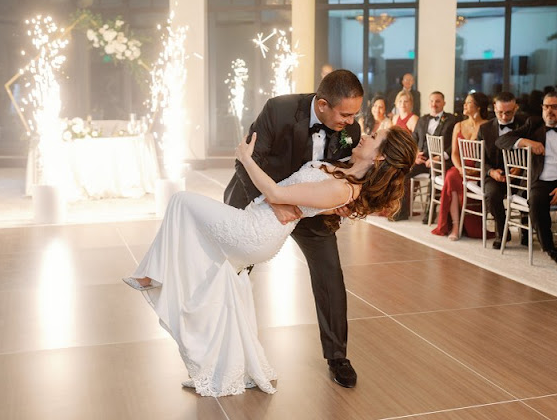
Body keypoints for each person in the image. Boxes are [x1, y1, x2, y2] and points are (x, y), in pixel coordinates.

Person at [123, 127, 417, 397]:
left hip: (258, 231)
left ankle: (154, 274)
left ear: (379, 156)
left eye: (374, 137)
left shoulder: (344, 189)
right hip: (258, 220)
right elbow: (294, 195)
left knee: (181, 202)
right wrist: (291, 203)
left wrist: (245, 158)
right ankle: (222, 366)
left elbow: (277, 192)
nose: (365, 135)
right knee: (219, 276)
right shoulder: (345, 172)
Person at [223, 69, 363, 389]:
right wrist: (272, 202)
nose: (352, 122)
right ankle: (228, 344)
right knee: (234, 271)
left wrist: (337, 205)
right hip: (256, 198)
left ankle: (337, 355)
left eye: (355, 114)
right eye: (346, 114)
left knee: (330, 274)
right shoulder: (279, 110)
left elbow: (336, 180)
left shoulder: (349, 132)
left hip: (308, 209)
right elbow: (244, 161)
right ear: (323, 104)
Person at [495, 91, 557, 267]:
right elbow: (501, 141)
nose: (549, 111)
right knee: (536, 202)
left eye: (555, 107)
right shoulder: (533, 124)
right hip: (541, 180)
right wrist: (527, 142)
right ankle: (551, 250)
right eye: (546, 106)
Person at [431, 91, 490, 241]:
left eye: (468, 102)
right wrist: (460, 168)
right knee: (451, 176)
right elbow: (454, 153)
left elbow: (489, 154)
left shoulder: (488, 126)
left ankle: (467, 225)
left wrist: (474, 170)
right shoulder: (458, 125)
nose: (464, 105)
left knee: (453, 178)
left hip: (478, 170)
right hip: (460, 168)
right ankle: (456, 226)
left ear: (478, 106)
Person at [395, 91, 457, 221]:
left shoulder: (452, 120)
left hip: (440, 161)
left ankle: (430, 212)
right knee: (402, 173)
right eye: (432, 101)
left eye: (438, 101)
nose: (434, 104)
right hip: (421, 160)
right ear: (429, 103)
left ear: (444, 103)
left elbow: (454, 143)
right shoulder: (422, 119)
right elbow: (413, 139)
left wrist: (440, 157)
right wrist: (415, 154)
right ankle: (402, 211)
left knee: (434, 178)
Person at [477, 92, 525, 249]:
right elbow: (480, 159)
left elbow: (533, 151)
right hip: (495, 174)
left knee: (531, 190)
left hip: (521, 174)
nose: (504, 116)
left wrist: (519, 168)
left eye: (509, 112)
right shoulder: (484, 129)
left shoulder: (526, 124)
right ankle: (502, 230)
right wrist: (492, 172)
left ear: (516, 108)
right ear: (494, 109)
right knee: (491, 194)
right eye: (500, 112)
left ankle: (526, 231)